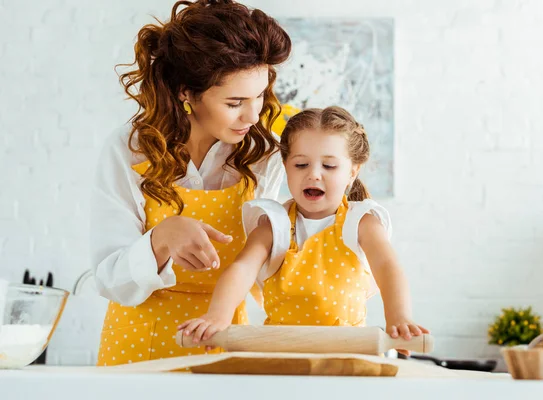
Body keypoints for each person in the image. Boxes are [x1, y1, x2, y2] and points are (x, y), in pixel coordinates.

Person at [90, 0, 292, 366]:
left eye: (260, 95)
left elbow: (264, 264)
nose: (253, 115)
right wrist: (160, 240)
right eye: (235, 102)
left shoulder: (264, 156)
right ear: (186, 92)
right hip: (138, 346)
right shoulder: (130, 150)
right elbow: (108, 279)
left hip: (225, 340)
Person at [178, 106, 429, 353]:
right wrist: (218, 316)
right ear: (286, 165)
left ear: (352, 171)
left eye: (329, 166)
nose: (314, 175)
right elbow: (242, 268)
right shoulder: (272, 225)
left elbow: (387, 268)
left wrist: (399, 318)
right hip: (281, 352)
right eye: (301, 165)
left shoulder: (362, 222)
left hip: (347, 352)